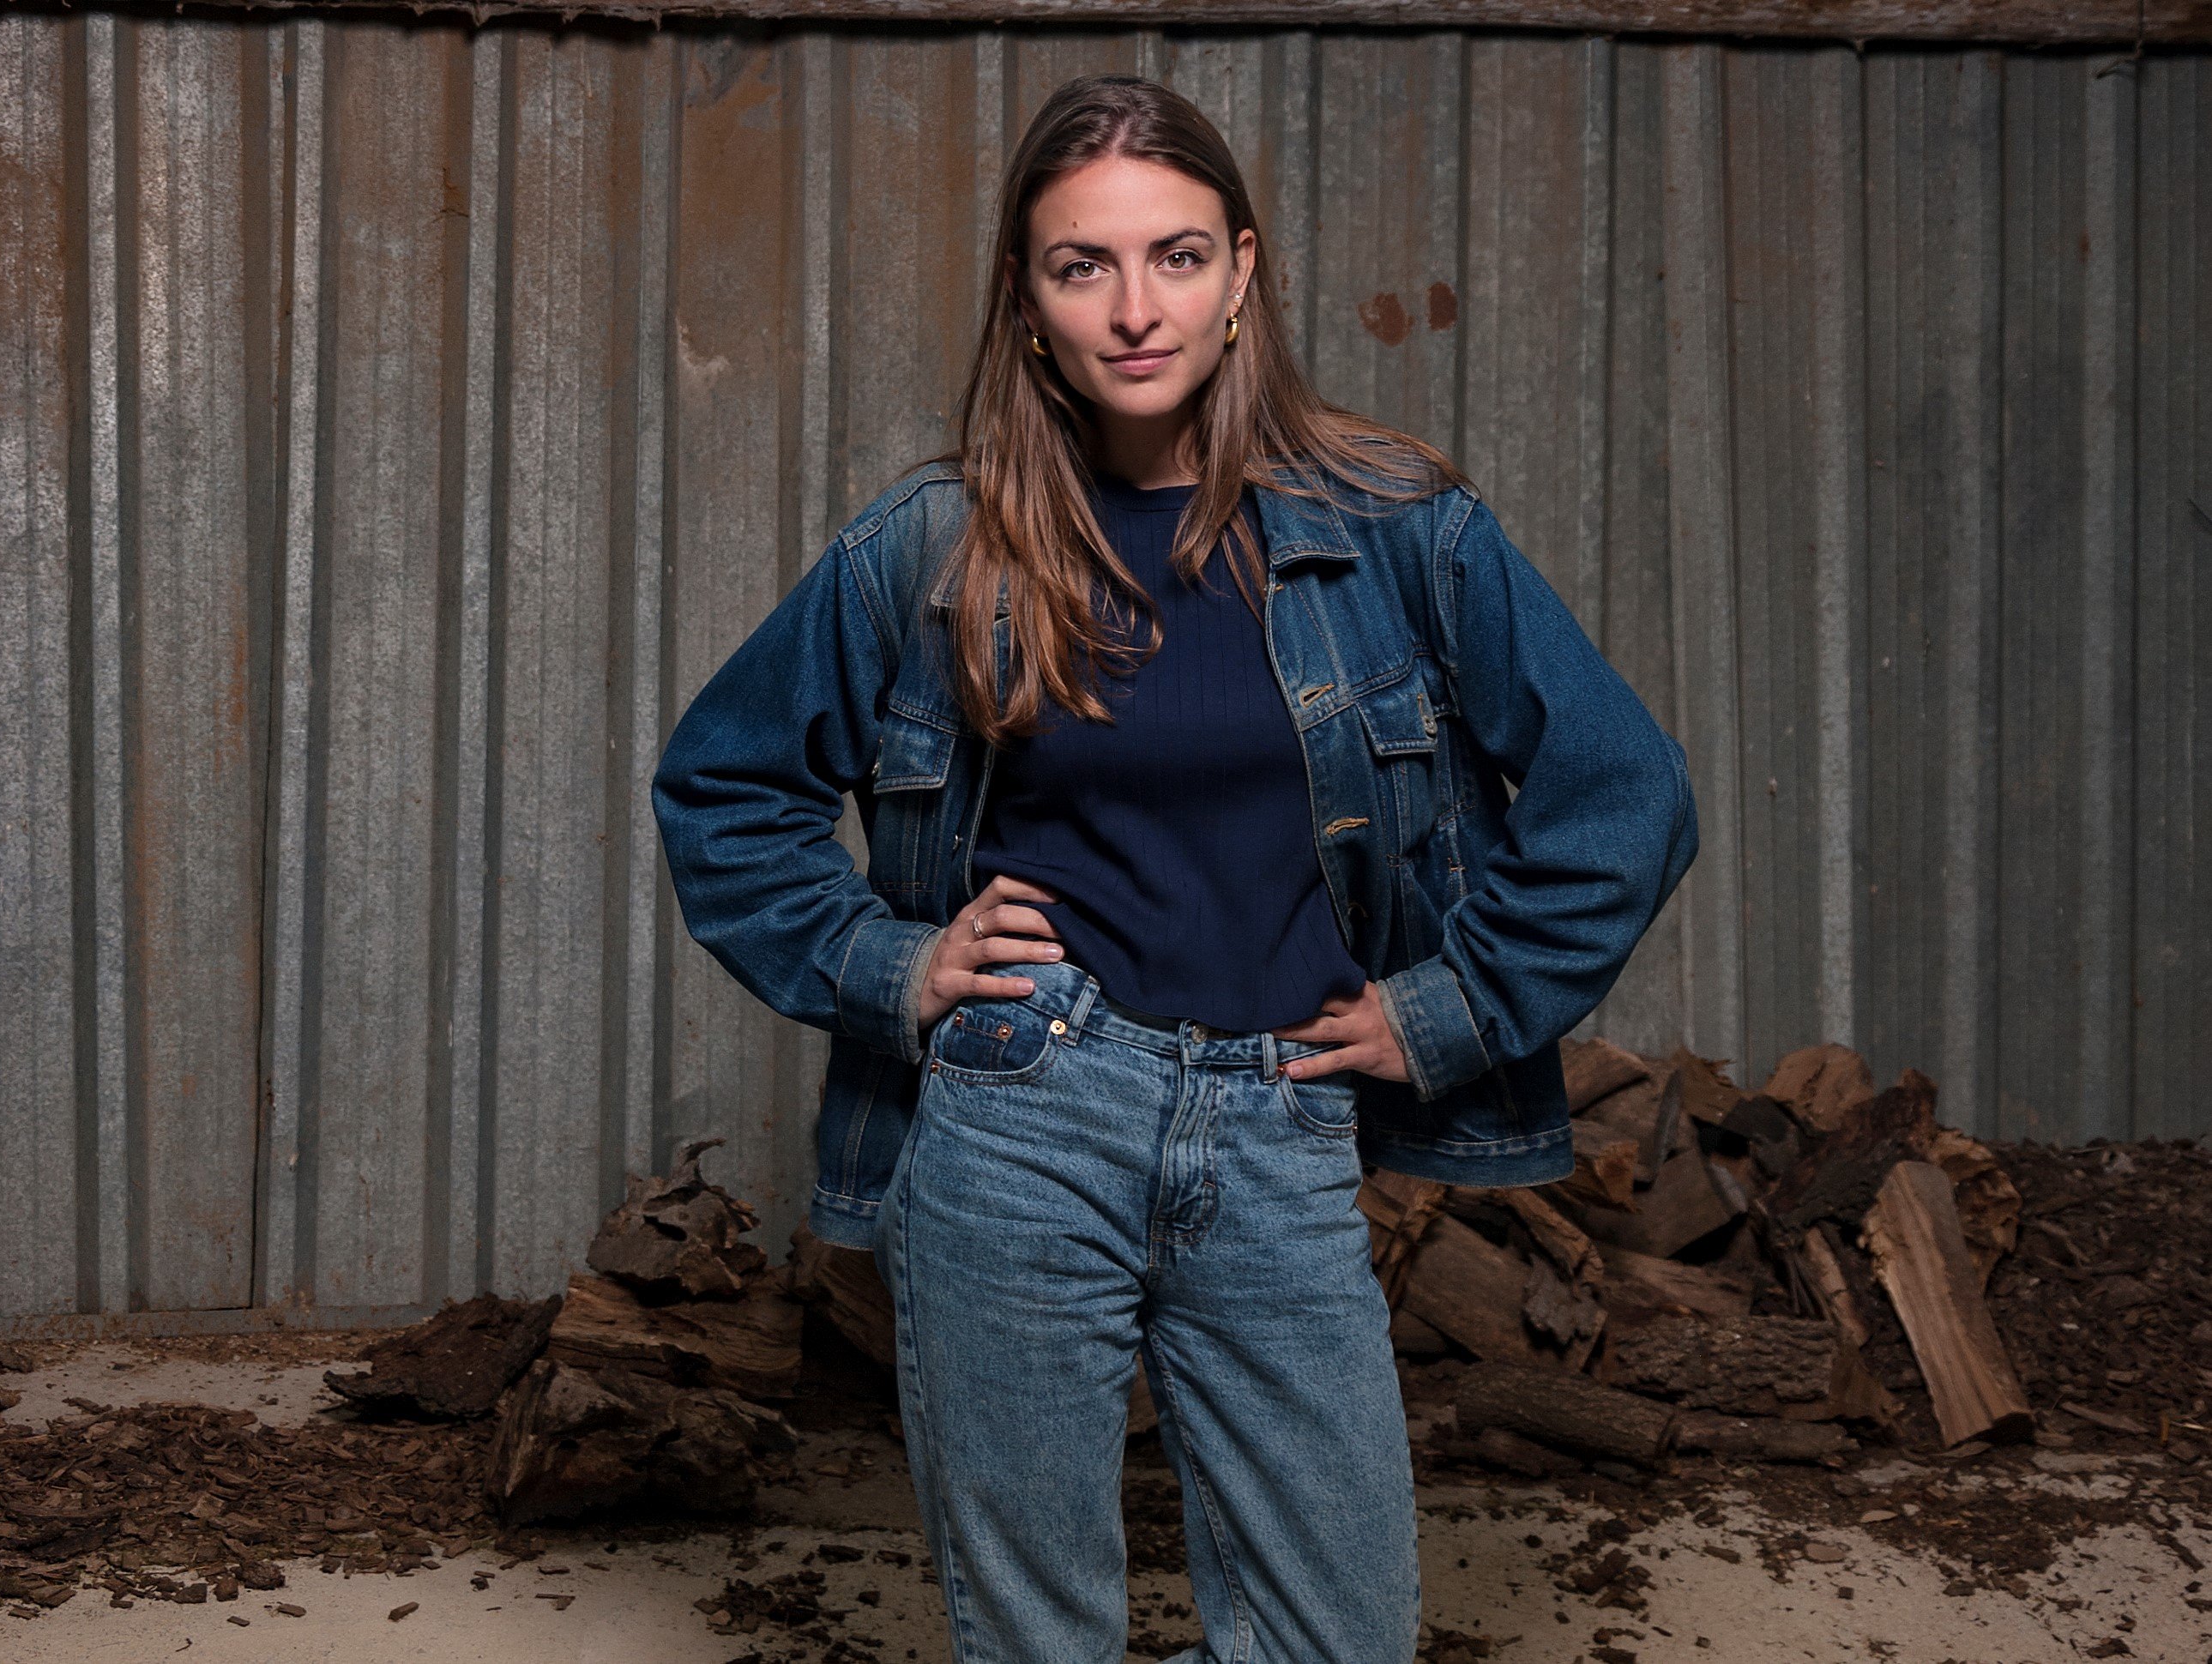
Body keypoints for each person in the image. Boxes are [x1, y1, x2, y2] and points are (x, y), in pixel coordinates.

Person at [654, 72, 1697, 1664]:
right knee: (1038, 1637)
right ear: (1026, 298)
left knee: (1333, 1630)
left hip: (1281, 1118)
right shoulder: (934, 548)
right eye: (1085, 266)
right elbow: (722, 788)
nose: (1136, 310)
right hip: (1022, 1102)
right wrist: (895, 965)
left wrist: (1454, 1008)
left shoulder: (1398, 527)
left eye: (1179, 257)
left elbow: (1625, 792)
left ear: (1245, 273)